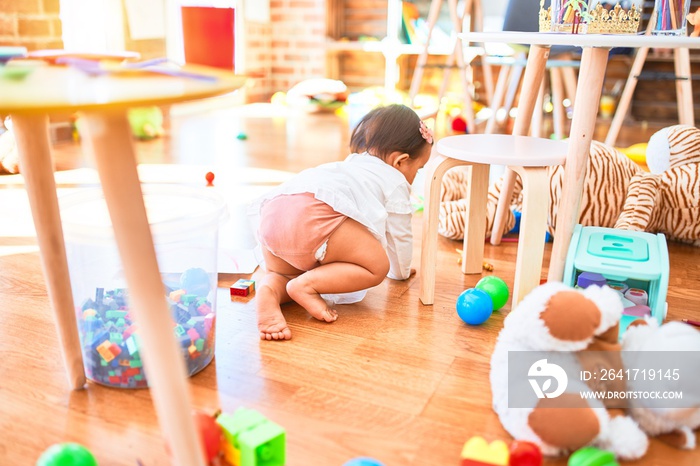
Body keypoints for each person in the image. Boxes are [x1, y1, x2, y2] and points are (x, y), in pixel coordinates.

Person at [249, 104, 433, 340]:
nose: (415, 177)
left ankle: (270, 290)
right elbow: (400, 236)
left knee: (284, 276)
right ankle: (305, 286)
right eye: (418, 169)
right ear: (400, 161)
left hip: (274, 214)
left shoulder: (350, 165)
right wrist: (401, 272)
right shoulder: (394, 180)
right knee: (377, 265)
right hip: (312, 216)